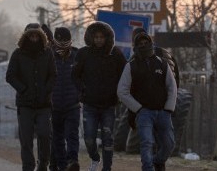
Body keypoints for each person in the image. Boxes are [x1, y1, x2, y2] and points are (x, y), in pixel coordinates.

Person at [117, 30, 177, 171]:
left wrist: (169, 108)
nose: (143, 45)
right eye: (140, 44)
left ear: (151, 43)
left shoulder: (162, 64)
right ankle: (148, 168)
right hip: (144, 113)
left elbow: (172, 87)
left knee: (169, 144)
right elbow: (122, 91)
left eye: (146, 43)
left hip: (163, 112)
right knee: (146, 143)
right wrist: (138, 108)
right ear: (135, 46)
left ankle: (158, 161)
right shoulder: (131, 66)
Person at [72, 21, 127, 171]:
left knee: (108, 138)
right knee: (89, 138)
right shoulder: (83, 53)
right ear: (91, 37)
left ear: (107, 38)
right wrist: (81, 91)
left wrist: (120, 93)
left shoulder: (115, 53)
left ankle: (107, 168)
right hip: (89, 104)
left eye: (101, 37)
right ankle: (95, 158)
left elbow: (126, 75)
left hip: (109, 105)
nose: (98, 40)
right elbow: (75, 75)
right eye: (95, 37)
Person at [6, 23, 57, 171]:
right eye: (31, 35)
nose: (34, 38)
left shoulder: (47, 53)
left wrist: (46, 91)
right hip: (25, 104)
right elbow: (10, 76)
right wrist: (23, 89)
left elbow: (53, 75)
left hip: (44, 104)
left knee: (45, 134)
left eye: (36, 35)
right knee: (26, 139)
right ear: (26, 36)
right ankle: (28, 166)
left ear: (41, 36)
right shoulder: (18, 54)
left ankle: (43, 163)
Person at [50, 27, 80, 171]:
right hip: (53, 105)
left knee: (72, 135)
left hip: (72, 105)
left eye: (65, 40)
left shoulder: (77, 55)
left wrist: (80, 94)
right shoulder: (48, 56)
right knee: (57, 138)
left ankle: (72, 161)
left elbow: (84, 77)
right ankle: (62, 165)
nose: (62, 43)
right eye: (59, 40)